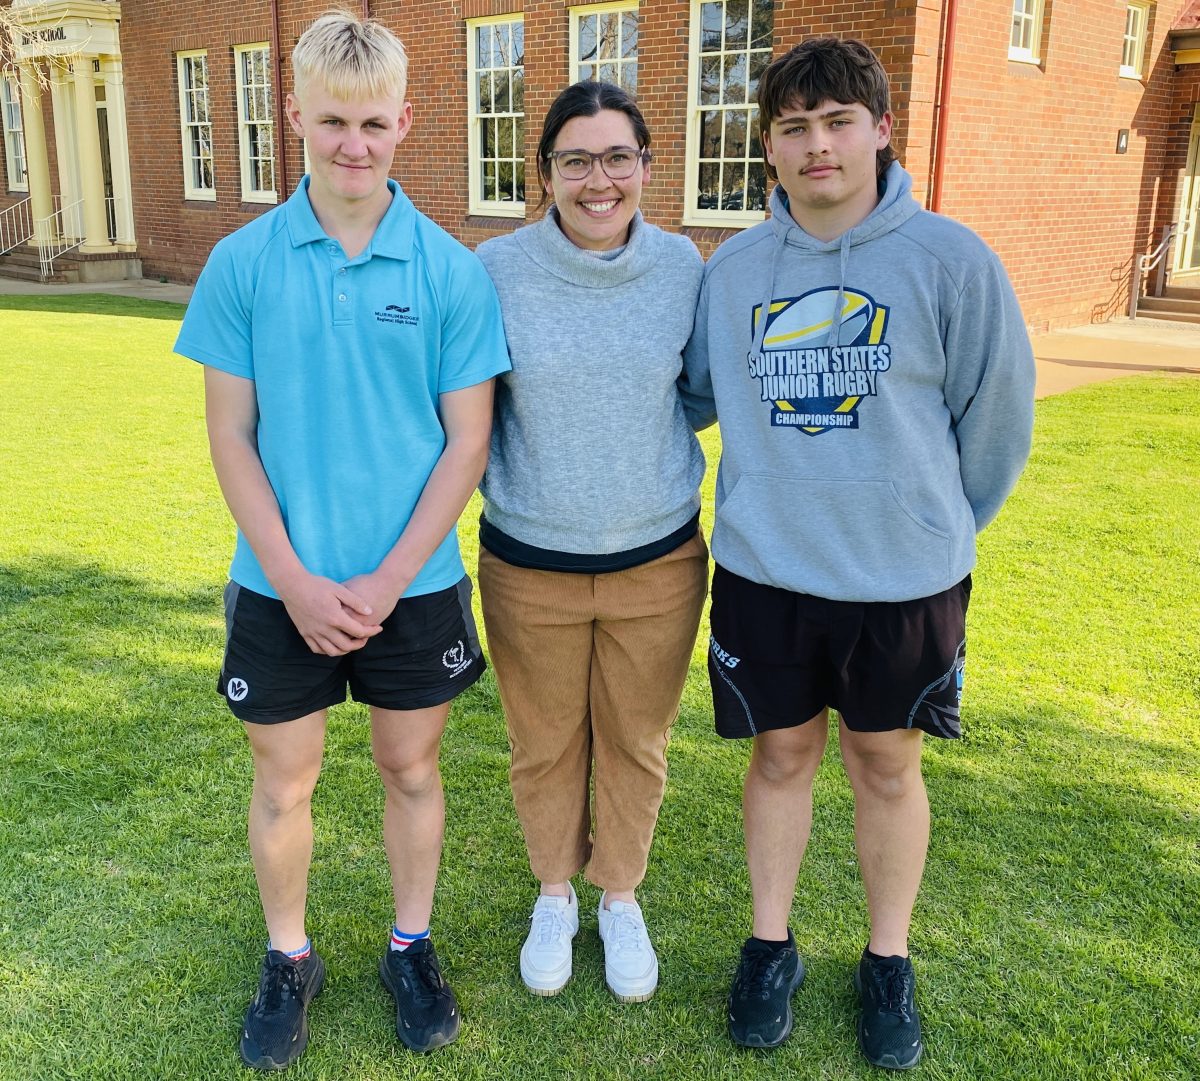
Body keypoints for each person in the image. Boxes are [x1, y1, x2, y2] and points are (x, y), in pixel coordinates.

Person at [681, 37, 1035, 1070]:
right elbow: (696, 393)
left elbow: (996, 424)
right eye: (793, 127)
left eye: (837, 121)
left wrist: (932, 528)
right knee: (780, 755)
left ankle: (888, 960)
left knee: (887, 764)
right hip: (767, 572)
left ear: (883, 127)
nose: (816, 144)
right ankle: (771, 944)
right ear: (770, 148)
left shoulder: (951, 262)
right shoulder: (736, 269)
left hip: (904, 581)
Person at [173, 11, 509, 1069]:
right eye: (331, 123)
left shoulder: (452, 271)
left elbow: (467, 443)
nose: (352, 144)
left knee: (410, 769)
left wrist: (383, 579)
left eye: (372, 123)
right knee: (286, 783)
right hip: (280, 584)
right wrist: (295, 579)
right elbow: (231, 433)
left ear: (406, 120)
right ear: (295, 117)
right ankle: (289, 955)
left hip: (410, 584)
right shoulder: (241, 262)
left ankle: (410, 945)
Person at [475, 81, 708, 1004]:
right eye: (576, 159)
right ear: (545, 174)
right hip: (529, 562)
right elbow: (473, 407)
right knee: (542, 743)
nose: (598, 178)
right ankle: (554, 892)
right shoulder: (495, 269)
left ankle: (619, 896)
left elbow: (698, 391)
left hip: (658, 560)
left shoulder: (686, 267)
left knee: (637, 741)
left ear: (647, 168)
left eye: (618, 157)